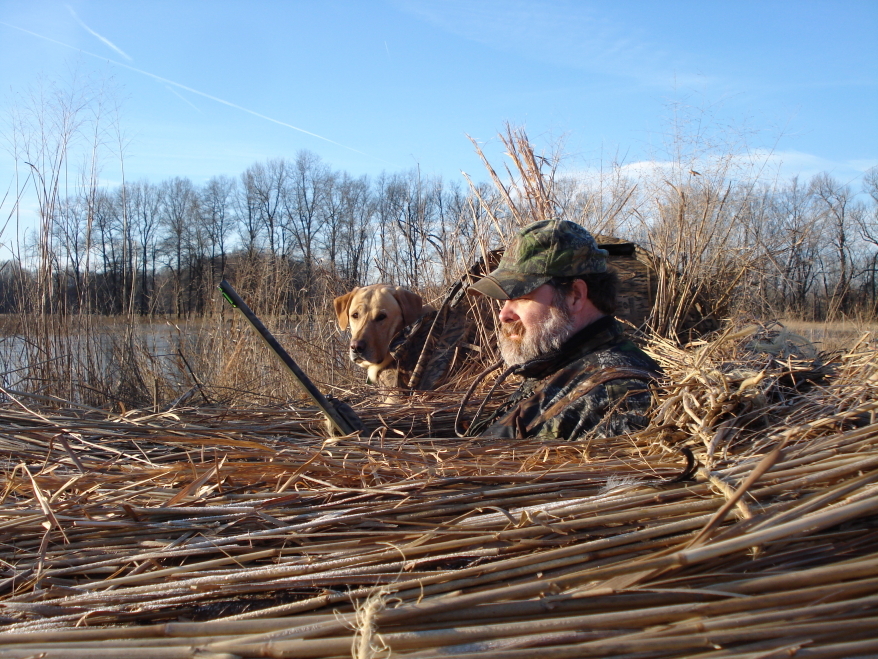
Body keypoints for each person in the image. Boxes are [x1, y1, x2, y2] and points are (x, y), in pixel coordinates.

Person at [462, 219, 661, 441]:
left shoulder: (619, 396)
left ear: (575, 295)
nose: (504, 314)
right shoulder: (557, 368)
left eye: (521, 297)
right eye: (505, 300)